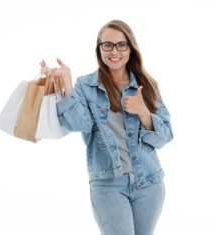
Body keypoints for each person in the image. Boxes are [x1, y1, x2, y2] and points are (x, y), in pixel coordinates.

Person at [40, 19, 173, 235]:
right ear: (99, 49)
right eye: (107, 45)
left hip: (149, 182)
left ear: (130, 48)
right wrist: (67, 84)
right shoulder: (86, 85)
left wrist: (143, 111)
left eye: (121, 45)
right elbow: (77, 124)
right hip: (108, 184)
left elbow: (165, 136)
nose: (114, 51)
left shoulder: (147, 85)